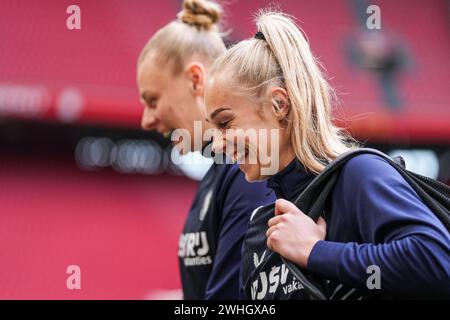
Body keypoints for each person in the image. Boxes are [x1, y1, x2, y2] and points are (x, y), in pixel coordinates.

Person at [204, 10, 450, 299]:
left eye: (225, 123)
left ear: (279, 105)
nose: (218, 145)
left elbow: (438, 261)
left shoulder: (357, 175)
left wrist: (316, 252)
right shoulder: (262, 226)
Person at [136, 0, 275, 300]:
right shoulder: (220, 172)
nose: (146, 120)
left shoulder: (248, 171)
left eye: (152, 100)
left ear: (195, 79)